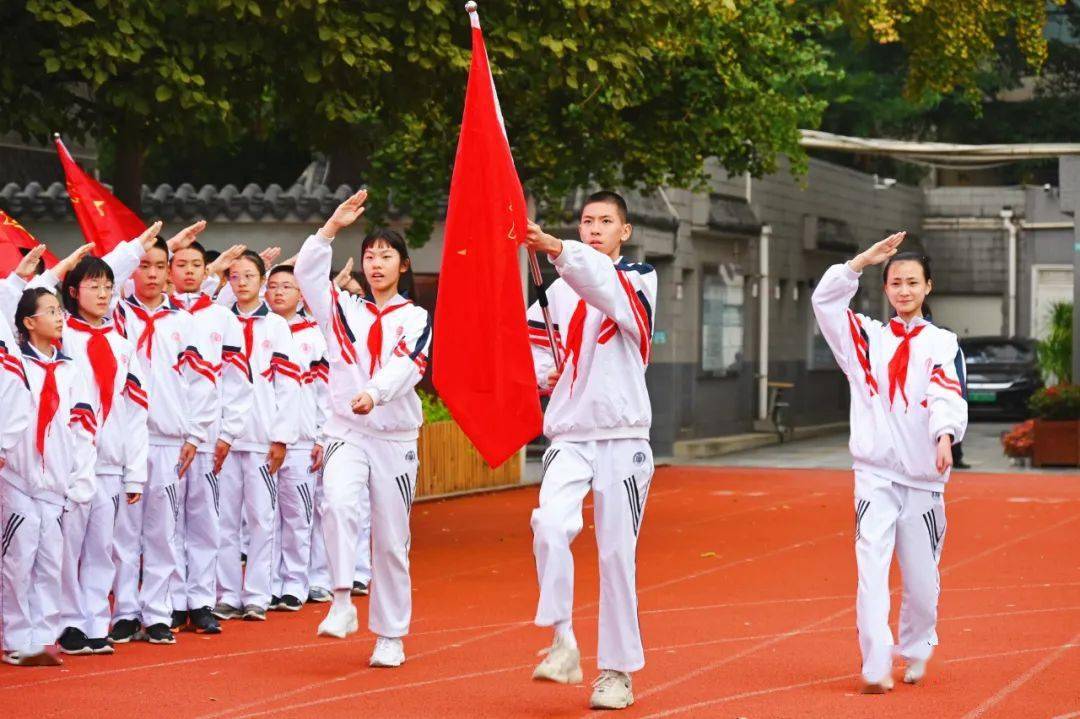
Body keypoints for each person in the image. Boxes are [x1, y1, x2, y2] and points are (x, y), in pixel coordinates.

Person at [811, 233, 968, 693]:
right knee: (871, 573)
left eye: (912, 282)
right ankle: (876, 664)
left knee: (922, 584)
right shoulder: (864, 338)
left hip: (923, 479)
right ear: (885, 289)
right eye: (895, 282)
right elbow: (825, 302)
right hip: (874, 475)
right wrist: (859, 262)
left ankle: (917, 648)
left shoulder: (942, 342)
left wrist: (945, 434)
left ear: (928, 287)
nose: (903, 290)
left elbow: (946, 389)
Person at [522, 190, 658, 710]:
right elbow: (533, 348)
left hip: (623, 439)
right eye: (586, 221)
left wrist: (556, 248)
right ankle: (562, 640)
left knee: (616, 555)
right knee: (550, 524)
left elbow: (604, 289)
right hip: (570, 436)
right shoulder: (556, 292)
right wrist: (545, 372)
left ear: (624, 231)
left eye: (606, 221)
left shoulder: (637, 279)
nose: (595, 228)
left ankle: (617, 671)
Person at [294, 189, 431, 668]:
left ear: (403, 266)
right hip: (346, 431)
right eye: (370, 256)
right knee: (335, 502)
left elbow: (410, 364)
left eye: (386, 256)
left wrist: (374, 393)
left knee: (392, 541)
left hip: (393, 438)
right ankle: (340, 600)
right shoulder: (342, 310)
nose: (376, 264)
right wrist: (331, 227)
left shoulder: (415, 317)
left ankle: (391, 634)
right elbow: (307, 274)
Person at [111, 235, 218, 645]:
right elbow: (109, 271)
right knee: (124, 533)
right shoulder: (118, 315)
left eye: (159, 266)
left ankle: (156, 612)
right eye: (144, 266)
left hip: (169, 441)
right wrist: (133, 249)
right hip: (125, 442)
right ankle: (124, 610)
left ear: (169, 272)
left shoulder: (184, 323)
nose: (151, 274)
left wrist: (194, 432)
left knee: (163, 530)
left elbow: (202, 382)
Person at [0, 287, 96, 666]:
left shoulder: (72, 369)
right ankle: (16, 636)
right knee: (17, 559)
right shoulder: (12, 366)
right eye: (51, 311)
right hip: (18, 480)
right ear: (28, 322)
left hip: (56, 484)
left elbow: (84, 427)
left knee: (51, 560)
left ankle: (43, 635)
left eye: (60, 310)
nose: (60, 317)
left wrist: (79, 477)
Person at [168, 240, 253, 633]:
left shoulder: (223, 319)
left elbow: (238, 382)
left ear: (208, 272)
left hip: (207, 437)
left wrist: (228, 433)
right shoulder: (159, 316)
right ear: (170, 270)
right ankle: (166, 601)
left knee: (204, 521)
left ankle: (200, 601)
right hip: (165, 434)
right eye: (180, 264)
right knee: (165, 523)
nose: (188, 271)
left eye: (195, 265)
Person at [213, 251, 300, 622]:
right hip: (225, 441)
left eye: (250, 275)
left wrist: (281, 436)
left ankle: (258, 594)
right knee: (224, 519)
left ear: (261, 280)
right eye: (235, 276)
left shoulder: (276, 327)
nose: (242, 282)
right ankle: (227, 592)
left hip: (263, 438)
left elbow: (289, 385)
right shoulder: (218, 323)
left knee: (262, 518)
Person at [263, 264, 328, 610]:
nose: (278, 293)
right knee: (263, 517)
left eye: (286, 287)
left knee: (299, 515)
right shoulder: (259, 330)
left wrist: (321, 436)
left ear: (301, 294)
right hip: (262, 439)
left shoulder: (314, 335)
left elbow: (324, 392)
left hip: (302, 441)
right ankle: (268, 583)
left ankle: (297, 582)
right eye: (272, 286)